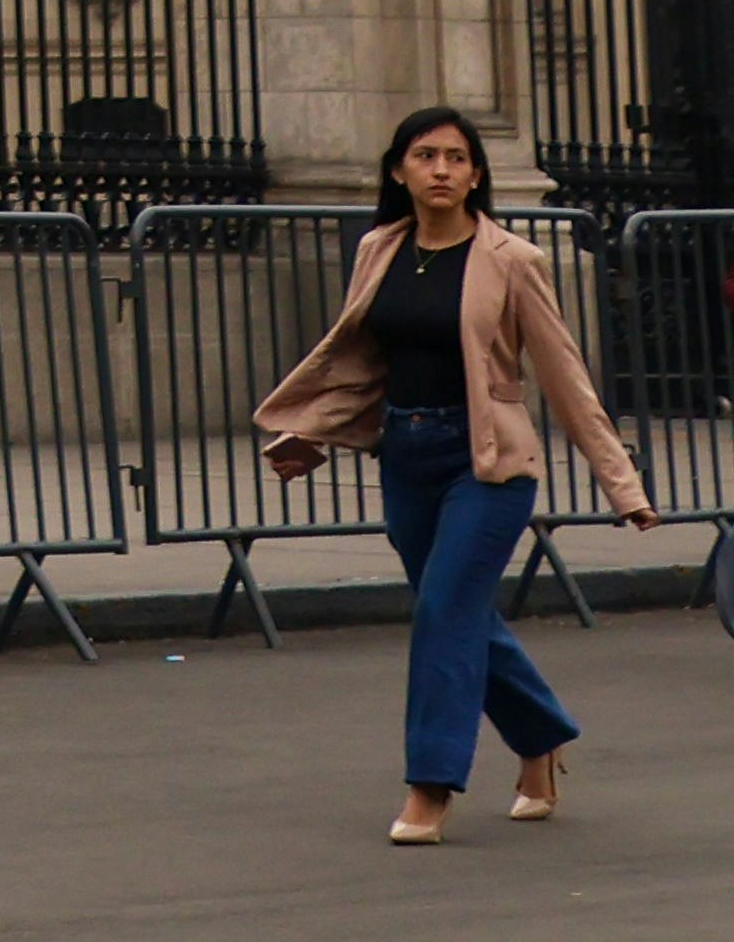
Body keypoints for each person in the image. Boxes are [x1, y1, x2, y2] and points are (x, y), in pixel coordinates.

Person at [252, 99, 661, 843]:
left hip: (489, 466)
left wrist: (621, 485)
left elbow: (566, 377)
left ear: (476, 176)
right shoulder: (380, 248)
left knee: (442, 610)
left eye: (457, 158)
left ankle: (429, 787)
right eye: (425, 156)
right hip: (406, 457)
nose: (441, 170)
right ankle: (541, 736)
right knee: (459, 610)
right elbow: (368, 365)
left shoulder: (513, 260)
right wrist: (312, 432)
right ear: (399, 171)